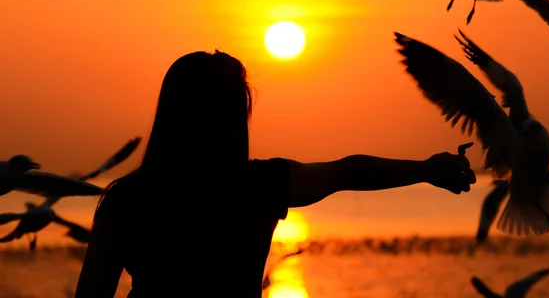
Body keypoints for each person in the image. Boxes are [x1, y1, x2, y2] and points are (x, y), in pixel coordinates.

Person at [74, 50, 477, 298]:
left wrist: (426, 170)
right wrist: (426, 170)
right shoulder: (258, 186)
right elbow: (348, 171)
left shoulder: (127, 199)